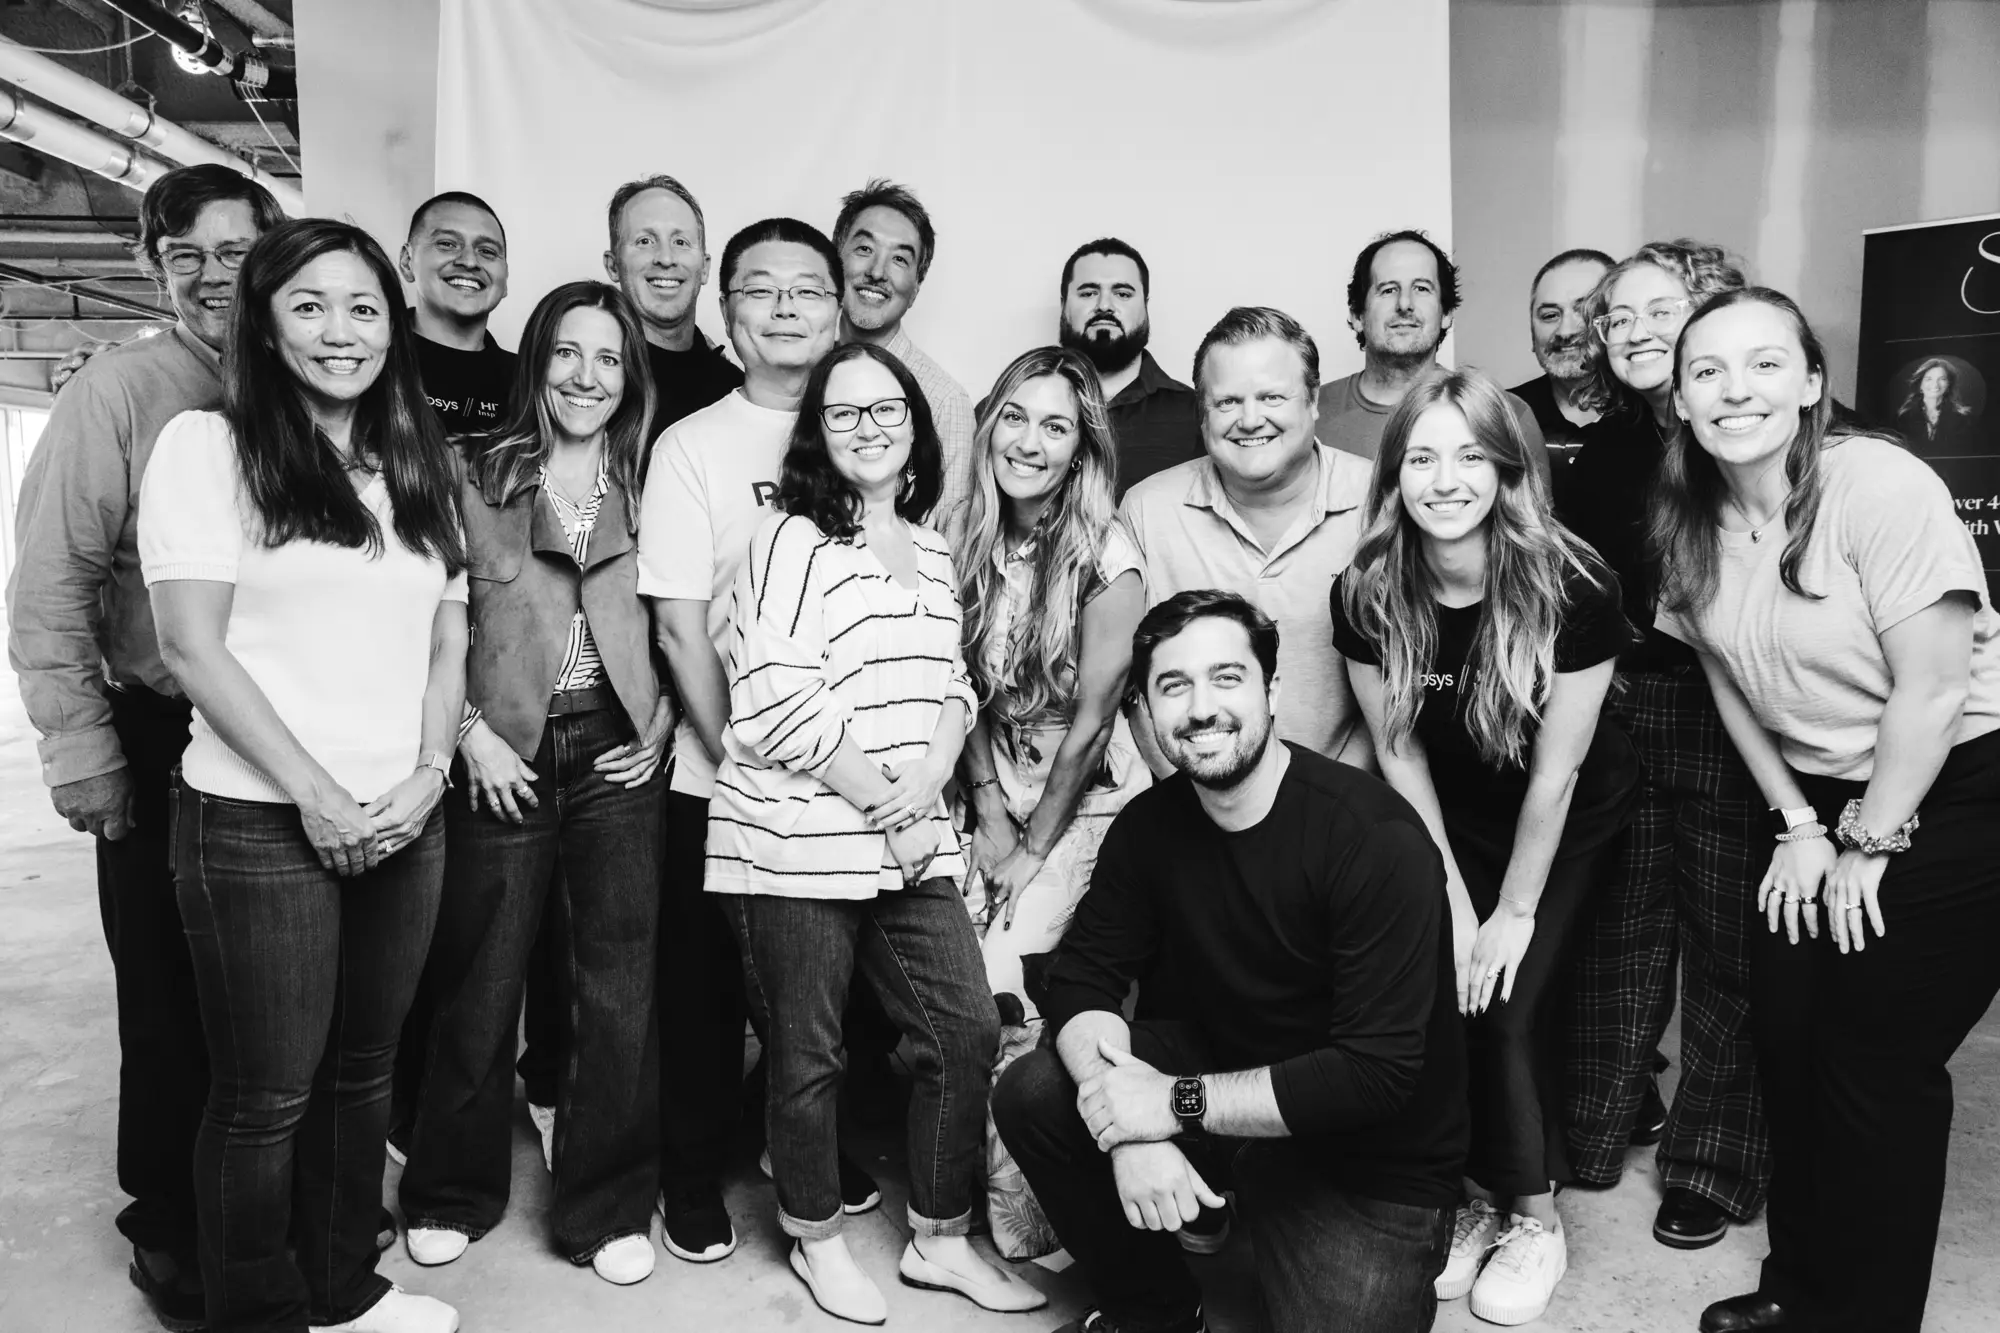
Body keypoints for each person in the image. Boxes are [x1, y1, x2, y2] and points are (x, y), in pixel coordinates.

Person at [139, 218, 467, 1333]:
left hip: (404, 815)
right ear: (267, 326)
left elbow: (446, 633)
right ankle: (260, 1313)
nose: (342, 331)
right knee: (264, 1096)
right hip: (257, 822)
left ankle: (341, 1289)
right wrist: (318, 795)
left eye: (365, 307)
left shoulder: (412, 459)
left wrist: (429, 774)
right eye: (311, 305)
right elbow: (191, 645)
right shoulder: (207, 448)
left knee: (361, 1075)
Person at [1653, 288, 2000, 1333]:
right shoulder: (1687, 517)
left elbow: (1932, 689)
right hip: (1822, 800)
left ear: (1809, 383)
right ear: (1677, 398)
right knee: (1787, 1041)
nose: (1733, 389)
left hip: (1959, 780)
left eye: (1763, 364)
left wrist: (1867, 840)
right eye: (1705, 371)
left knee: (1870, 1062)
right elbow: (1722, 675)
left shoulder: (1875, 484)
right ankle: (1798, 1287)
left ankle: (1864, 1317)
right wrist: (1799, 825)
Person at [993, 589, 1468, 1333]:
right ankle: (1153, 1310)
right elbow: (1083, 979)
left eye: (1226, 677)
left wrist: (1170, 1102)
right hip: (1225, 1080)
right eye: (1172, 686)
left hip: (1367, 1157)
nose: (1200, 706)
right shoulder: (1151, 826)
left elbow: (1376, 1073)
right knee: (1035, 1091)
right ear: (1147, 711)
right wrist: (1126, 1122)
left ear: (1271, 690)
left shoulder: (1373, 838)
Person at [710, 340, 1042, 1324]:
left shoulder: (935, 546)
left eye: (884, 409)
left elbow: (953, 682)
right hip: (794, 837)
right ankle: (814, 1236)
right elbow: (771, 697)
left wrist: (931, 776)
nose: (867, 427)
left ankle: (940, 1237)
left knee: (963, 1029)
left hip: (906, 833)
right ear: (818, 430)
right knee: (808, 1052)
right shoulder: (788, 538)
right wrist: (887, 804)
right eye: (843, 412)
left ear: (913, 426)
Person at [5, 163, 284, 1333]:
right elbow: (53, 581)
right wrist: (79, 749)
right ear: (151, 265)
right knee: (170, 995)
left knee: (274, 995)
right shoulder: (119, 391)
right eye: (190, 257)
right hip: (163, 728)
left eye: (237, 251)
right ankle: (170, 1225)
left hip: (296, 736)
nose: (217, 276)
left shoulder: (313, 376)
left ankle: (271, 1213)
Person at [1332, 368, 1639, 1326]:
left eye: (1470, 454)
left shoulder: (1575, 582)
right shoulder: (1367, 588)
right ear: (1395, 475)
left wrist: (1508, 912)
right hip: (1446, 805)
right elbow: (1398, 749)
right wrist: (1454, 902)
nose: (1445, 478)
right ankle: (1471, 1195)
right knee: (1439, 985)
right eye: (1421, 456)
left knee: (1503, 1000)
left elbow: (1556, 776)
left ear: (1511, 468)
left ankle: (1535, 1216)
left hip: (1564, 808)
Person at [396, 282, 672, 1286]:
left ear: (628, 374)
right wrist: (468, 735)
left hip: (615, 753)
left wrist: (668, 722)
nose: (585, 376)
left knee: (617, 983)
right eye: (566, 352)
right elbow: (425, 616)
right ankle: (448, 1190)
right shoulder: (469, 471)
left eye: (607, 357)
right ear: (536, 362)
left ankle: (603, 1208)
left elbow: (694, 617)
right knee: (477, 978)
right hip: (502, 748)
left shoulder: (655, 479)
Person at [636, 216, 870, 1262]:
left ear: (837, 309)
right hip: (719, 774)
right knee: (703, 992)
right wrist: (738, 754)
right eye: (761, 290)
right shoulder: (692, 445)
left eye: (807, 289)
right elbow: (679, 622)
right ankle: (689, 1176)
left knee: (825, 997)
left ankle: (802, 1147)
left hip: (847, 777)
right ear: (725, 313)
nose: (786, 308)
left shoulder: (871, 432)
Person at [1558, 241, 1769, 1253]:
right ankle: (1589, 1135)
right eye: (1614, 318)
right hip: (1617, 705)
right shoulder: (1602, 452)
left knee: (1726, 946)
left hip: (1732, 714)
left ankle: (1710, 1164)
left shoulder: (1741, 433)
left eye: (1656, 311)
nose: (1632, 332)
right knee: (1616, 930)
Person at [952, 345, 1151, 1257]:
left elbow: (1094, 723)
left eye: (1056, 426)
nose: (1030, 442)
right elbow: (954, 692)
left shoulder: (1110, 555)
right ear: (991, 422)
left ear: (1082, 450)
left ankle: (1040, 1206)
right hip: (985, 782)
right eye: (1017, 417)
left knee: (1024, 984)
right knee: (966, 988)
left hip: (1087, 798)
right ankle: (986, 1188)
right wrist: (990, 811)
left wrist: (1030, 844)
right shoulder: (956, 531)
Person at [1118, 306, 1373, 767]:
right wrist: (1191, 802)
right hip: (1194, 806)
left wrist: (1330, 804)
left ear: (1313, 400)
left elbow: (1400, 684)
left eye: (1272, 398)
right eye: (1228, 402)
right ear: (1203, 413)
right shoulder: (1146, 512)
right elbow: (1134, 686)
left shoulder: (1380, 505)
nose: (1250, 419)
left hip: (1346, 803)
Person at [1317, 230, 1550, 490]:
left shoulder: (1507, 416)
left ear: (1447, 313)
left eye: (1421, 289)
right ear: (1357, 316)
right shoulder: (1310, 416)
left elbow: (1532, 528)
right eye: (1388, 290)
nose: (1405, 304)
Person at [833, 178, 976, 529]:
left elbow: (948, 542)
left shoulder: (943, 401)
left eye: (899, 258)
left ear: (915, 288)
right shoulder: (798, 371)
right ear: (833, 261)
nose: (877, 273)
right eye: (864, 249)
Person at [603, 173, 744, 442]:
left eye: (681, 242)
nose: (666, 258)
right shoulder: (591, 382)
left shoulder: (734, 388)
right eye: (645, 241)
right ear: (613, 265)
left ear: (704, 267)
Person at [1057, 238, 1202, 495]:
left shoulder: (1198, 416)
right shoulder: (1006, 410)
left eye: (1122, 294)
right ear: (1063, 305)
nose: (1104, 306)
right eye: (1088, 293)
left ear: (1145, 305)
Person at [400, 190, 515, 435]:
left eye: (487, 251)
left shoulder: (528, 383)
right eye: (447, 244)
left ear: (505, 280)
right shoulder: (368, 360)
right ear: (407, 261)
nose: (470, 261)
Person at [1510, 248, 1614, 462]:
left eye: (1585, 311)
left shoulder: (1654, 412)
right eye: (1550, 315)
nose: (1566, 331)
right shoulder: (1503, 414)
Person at [1894, 356, 1976, 451]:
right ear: (1920, 384)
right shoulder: (1903, 417)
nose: (1935, 384)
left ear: (1949, 384)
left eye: (1942, 379)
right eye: (1929, 379)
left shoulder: (1964, 418)